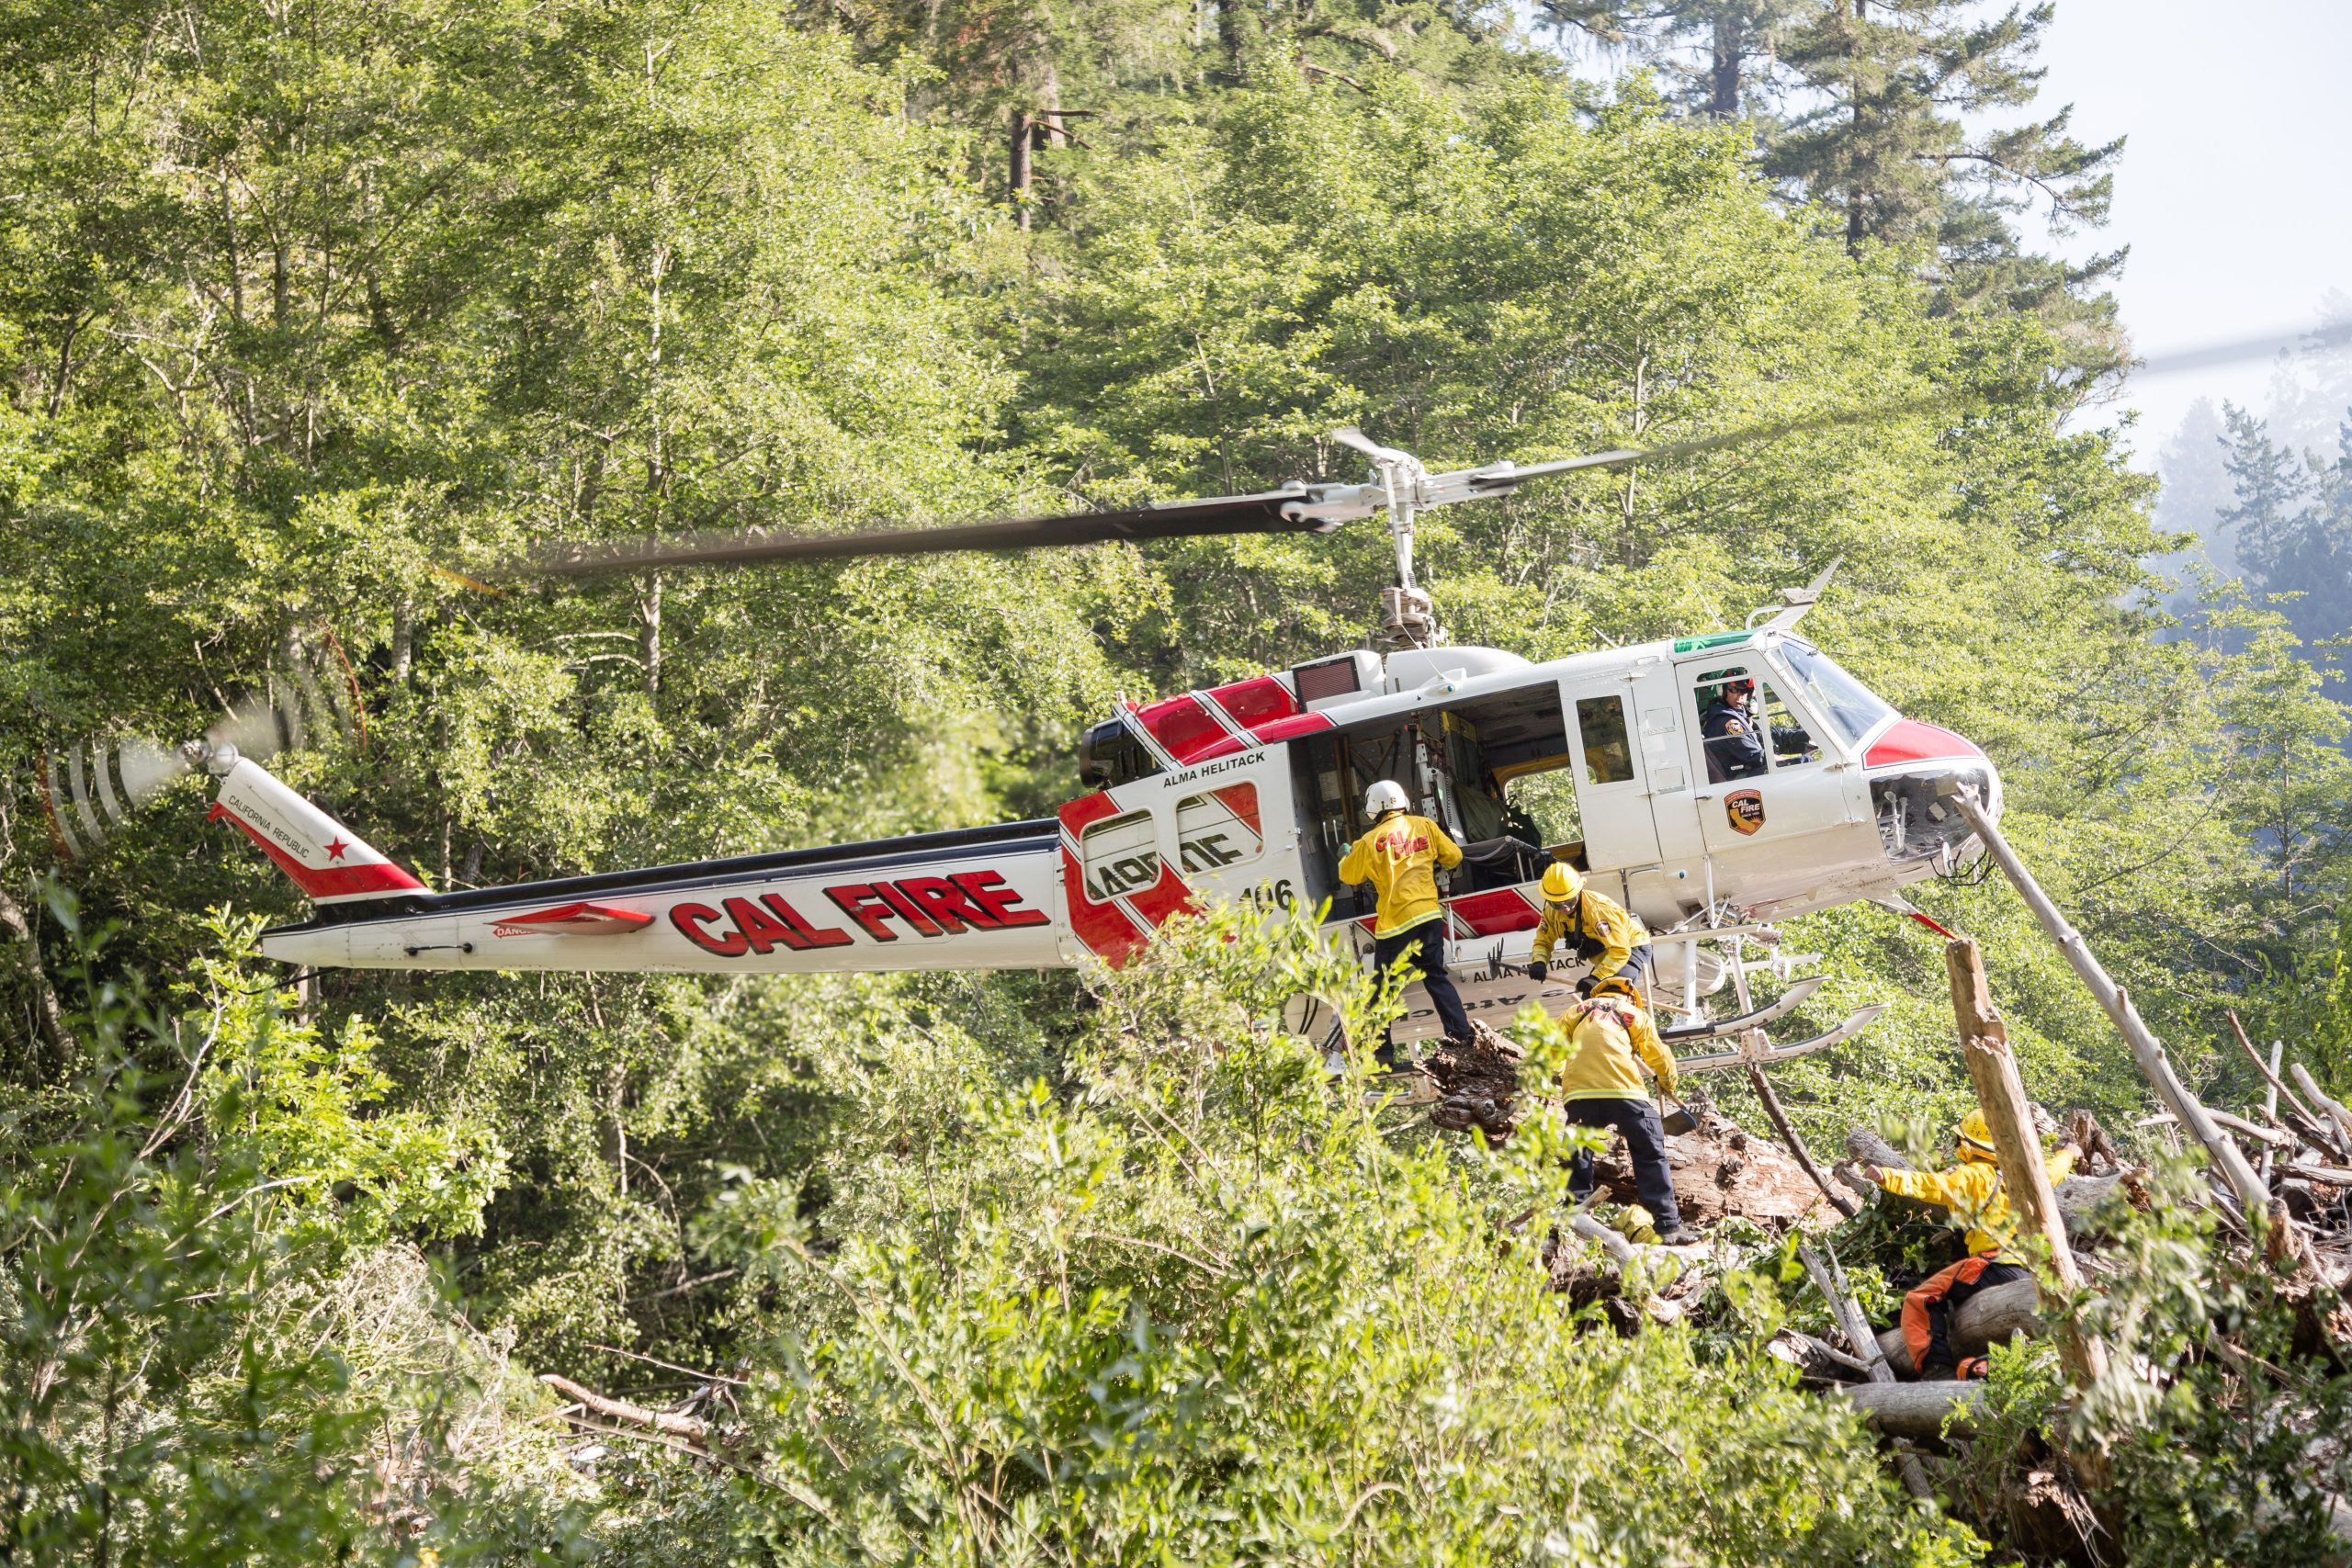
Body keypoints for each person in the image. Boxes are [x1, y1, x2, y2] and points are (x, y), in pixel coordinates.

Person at [1860, 1111, 2081, 1380]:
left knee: (1920, 1299)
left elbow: (1935, 1186)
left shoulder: (1975, 1174)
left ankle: (1937, 1368)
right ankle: (1976, 1367)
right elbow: (2053, 1171)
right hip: (2028, 1269)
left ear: (1967, 1145)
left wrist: (1887, 1177)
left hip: (1993, 1264)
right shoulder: (2021, 1172)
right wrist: (2069, 1153)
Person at [1544, 977, 1697, 1246]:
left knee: (1578, 1156)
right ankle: (1669, 1227)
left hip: (1580, 1094)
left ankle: (1572, 1221)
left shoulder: (1575, 1012)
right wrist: (1667, 1082)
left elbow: (1551, 1050)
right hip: (1626, 1092)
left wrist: (1558, 1074)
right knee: (1650, 1154)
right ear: (1630, 997)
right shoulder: (1635, 1014)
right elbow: (1660, 1057)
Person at [1338, 779, 1472, 1067]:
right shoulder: (1424, 826)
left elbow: (1348, 876)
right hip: (1428, 918)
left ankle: (1381, 1053)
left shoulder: (1368, 842)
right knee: (1436, 978)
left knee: (1383, 991)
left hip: (1395, 925)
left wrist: (1345, 857)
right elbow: (1455, 857)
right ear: (1402, 801)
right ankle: (1462, 1038)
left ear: (1373, 809)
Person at [1525, 862, 1655, 1004]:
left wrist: (1596, 977)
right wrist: (1539, 962)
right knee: (1589, 1003)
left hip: (1631, 949)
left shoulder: (1598, 909)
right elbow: (1543, 941)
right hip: (1608, 955)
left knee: (1610, 998)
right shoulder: (1551, 913)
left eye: (1569, 902)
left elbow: (1620, 950)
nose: (1565, 909)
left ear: (1578, 892)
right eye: (1557, 904)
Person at [1700, 672, 1768, 783]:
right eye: (1734, 690)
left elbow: (1768, 733)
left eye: (1745, 691)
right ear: (1723, 691)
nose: (1740, 696)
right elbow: (1755, 757)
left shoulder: (1740, 716)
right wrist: (1783, 760)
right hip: (1740, 778)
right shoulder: (1728, 721)